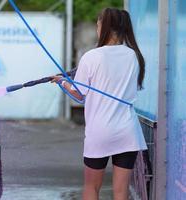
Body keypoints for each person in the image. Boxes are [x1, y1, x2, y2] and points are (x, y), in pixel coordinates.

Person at [52, 8, 147, 200]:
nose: (97, 27)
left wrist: (62, 82)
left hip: (100, 132)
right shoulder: (134, 56)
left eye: (98, 23)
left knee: (91, 188)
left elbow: (79, 96)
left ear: (104, 27)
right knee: (121, 192)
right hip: (127, 132)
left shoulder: (91, 57)